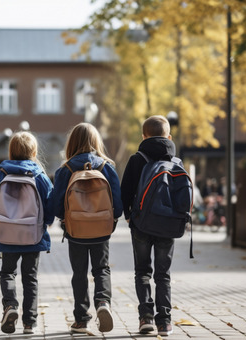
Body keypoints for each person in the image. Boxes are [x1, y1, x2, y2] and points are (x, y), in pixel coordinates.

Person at [52, 123, 123, 334]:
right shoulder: (106, 167)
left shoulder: (65, 170)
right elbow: (117, 204)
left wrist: (63, 218)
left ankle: (81, 320)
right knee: (102, 269)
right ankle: (103, 302)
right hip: (101, 229)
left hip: (76, 230)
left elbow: (56, 206)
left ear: (71, 142)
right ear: (96, 142)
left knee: (79, 273)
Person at [0, 132, 54, 335]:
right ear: (34, 152)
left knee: (7, 273)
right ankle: (29, 323)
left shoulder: (1, 175)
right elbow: (50, 204)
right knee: (30, 277)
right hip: (33, 234)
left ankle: (10, 306)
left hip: (7, 234)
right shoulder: (39, 176)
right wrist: (45, 224)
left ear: (11, 151)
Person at [120, 115, 179, 336]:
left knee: (142, 271)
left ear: (143, 136)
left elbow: (125, 191)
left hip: (141, 224)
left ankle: (146, 318)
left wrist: (127, 216)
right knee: (163, 274)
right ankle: (164, 322)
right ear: (169, 136)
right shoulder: (175, 162)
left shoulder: (137, 159)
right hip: (167, 225)